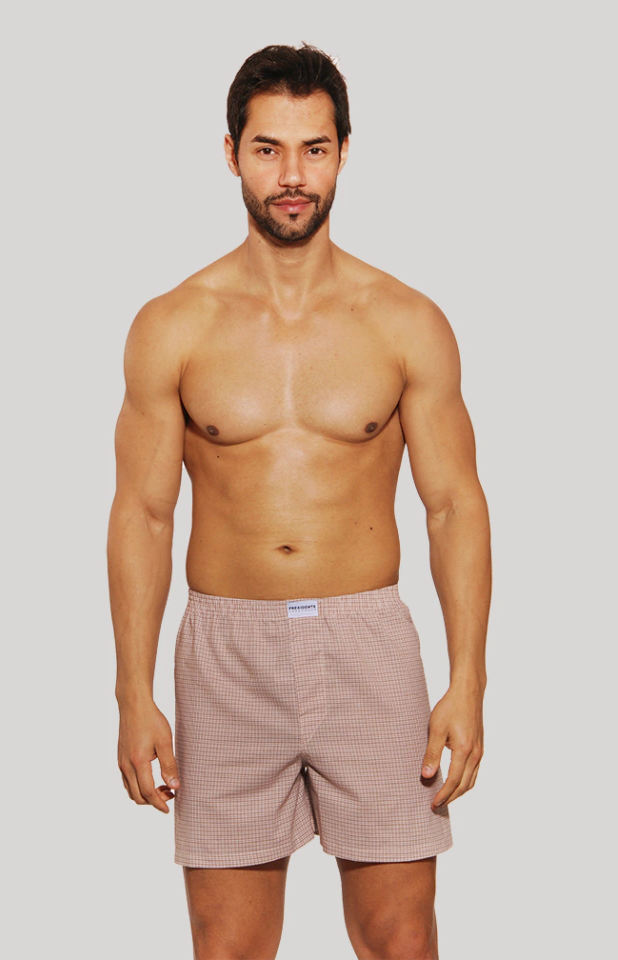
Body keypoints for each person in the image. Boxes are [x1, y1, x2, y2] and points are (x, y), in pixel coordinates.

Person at [107, 42, 491, 960]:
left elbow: (454, 506)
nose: (291, 175)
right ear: (231, 153)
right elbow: (143, 516)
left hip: (368, 645)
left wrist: (469, 678)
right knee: (229, 946)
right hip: (226, 652)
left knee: (401, 938)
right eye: (269, 149)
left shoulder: (405, 321)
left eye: (313, 149)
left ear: (344, 152)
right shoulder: (173, 324)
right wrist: (132, 692)